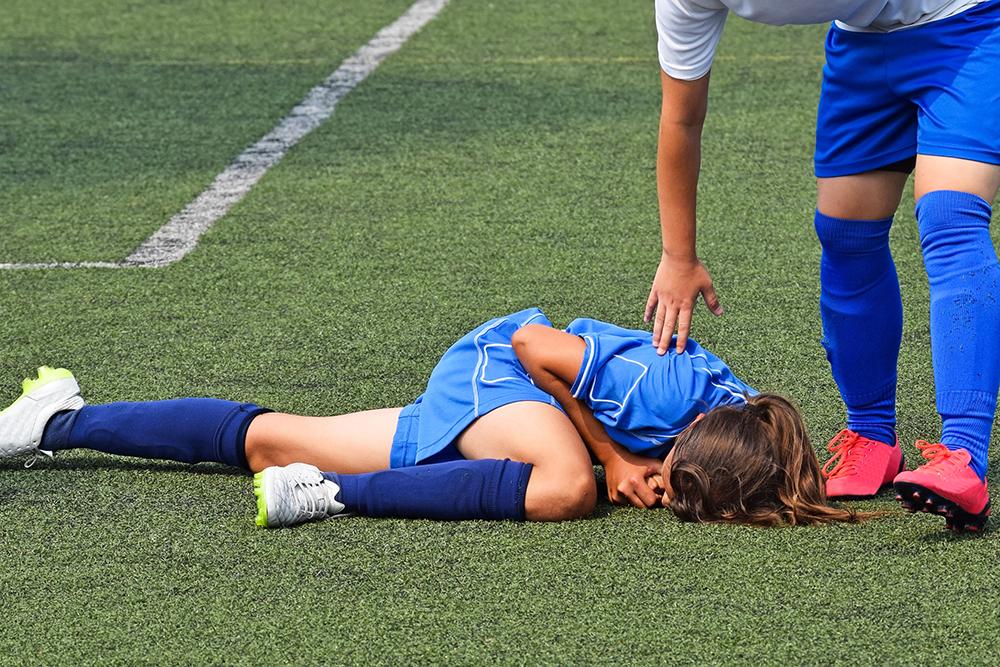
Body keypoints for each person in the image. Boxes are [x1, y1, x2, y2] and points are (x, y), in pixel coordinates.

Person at [0, 308, 860, 528]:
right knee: (567, 488)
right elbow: (534, 344)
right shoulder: (663, 396)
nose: (672, 498)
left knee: (269, 438)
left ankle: (59, 419)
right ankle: (334, 495)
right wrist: (611, 456)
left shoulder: (747, 430)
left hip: (511, 397)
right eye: (682, 486)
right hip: (501, 366)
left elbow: (785, 474)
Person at [646, 0, 1000, 532]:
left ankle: (965, 456)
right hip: (862, 45)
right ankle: (872, 435)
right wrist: (678, 255)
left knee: (949, 217)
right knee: (845, 234)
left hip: (968, 24)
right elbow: (681, 117)